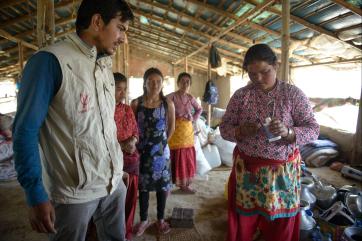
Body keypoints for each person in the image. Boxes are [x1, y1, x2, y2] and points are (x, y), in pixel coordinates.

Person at [12, 1, 134, 240]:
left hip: (112, 185)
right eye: (120, 28)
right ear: (97, 22)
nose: (123, 38)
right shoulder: (50, 62)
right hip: (73, 194)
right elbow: (24, 131)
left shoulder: (104, 66)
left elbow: (103, 127)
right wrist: (35, 193)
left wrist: (116, 169)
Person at [220, 44, 319, 241]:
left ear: (276, 65)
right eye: (252, 74)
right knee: (245, 222)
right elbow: (224, 129)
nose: (258, 79)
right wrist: (240, 131)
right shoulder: (241, 96)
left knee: (279, 225)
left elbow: (313, 129)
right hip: (248, 172)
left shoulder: (293, 95)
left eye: (264, 72)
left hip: (281, 175)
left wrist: (289, 132)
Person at [131, 67, 175, 237]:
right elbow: (133, 127)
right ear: (145, 83)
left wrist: (162, 144)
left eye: (158, 81)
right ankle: (143, 220)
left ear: (162, 84)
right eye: (151, 81)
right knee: (143, 187)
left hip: (161, 152)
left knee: (161, 187)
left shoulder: (167, 104)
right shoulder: (136, 103)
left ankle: (160, 219)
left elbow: (171, 127)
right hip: (141, 152)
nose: (155, 84)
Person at [113, 72, 139, 241]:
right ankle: (113, 231)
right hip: (114, 161)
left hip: (131, 160)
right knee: (114, 202)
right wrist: (122, 145)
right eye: (118, 89)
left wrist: (133, 140)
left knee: (130, 199)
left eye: (124, 89)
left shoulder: (128, 109)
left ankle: (126, 230)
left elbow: (136, 130)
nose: (122, 93)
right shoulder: (103, 109)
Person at [167, 72, 202, 193]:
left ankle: (185, 185)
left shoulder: (191, 98)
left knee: (186, 158)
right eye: (182, 81)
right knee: (175, 156)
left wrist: (193, 118)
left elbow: (199, 109)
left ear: (190, 84)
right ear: (178, 83)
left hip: (187, 132)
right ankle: (171, 184)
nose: (185, 83)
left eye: (188, 82)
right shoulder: (171, 97)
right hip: (175, 132)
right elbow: (163, 107)